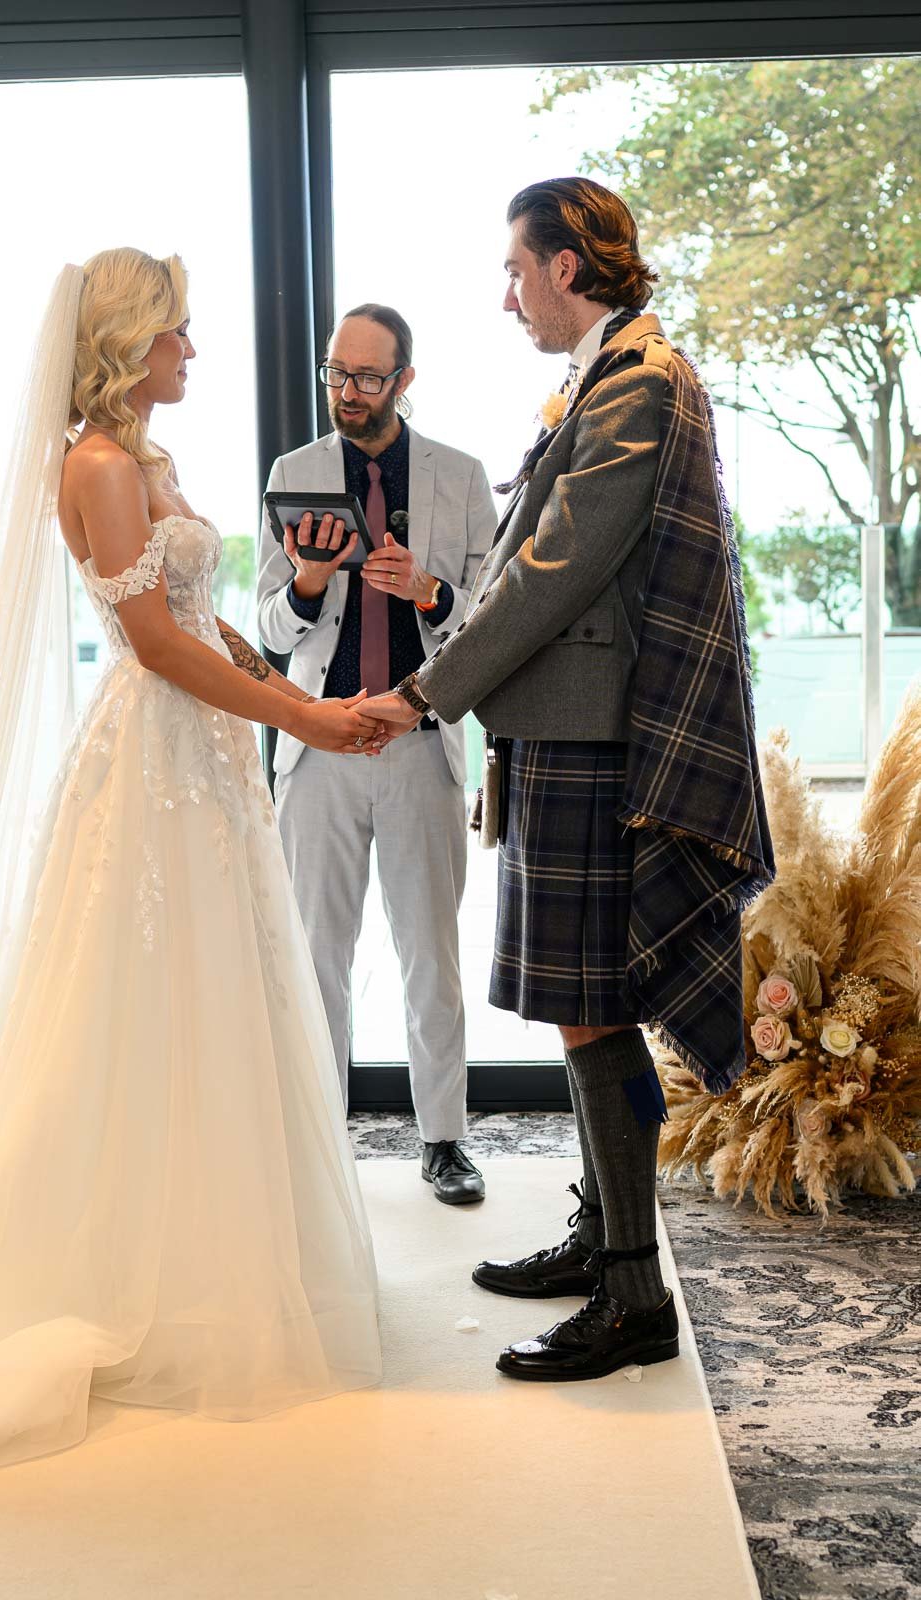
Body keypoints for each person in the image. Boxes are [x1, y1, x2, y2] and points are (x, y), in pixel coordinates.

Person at [0, 249, 384, 1492]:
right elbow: (148, 643)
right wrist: (295, 723)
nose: (194, 352)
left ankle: (219, 1261)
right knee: (136, 1002)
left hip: (202, 758)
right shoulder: (95, 466)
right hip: (148, 767)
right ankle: (114, 1273)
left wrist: (290, 681)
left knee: (222, 996)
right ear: (131, 340)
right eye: (181, 334)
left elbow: (199, 617)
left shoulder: (147, 461)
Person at [365, 179, 774, 1379]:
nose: (505, 296)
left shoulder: (640, 379)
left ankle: (633, 1295)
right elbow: (527, 566)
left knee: (592, 1002)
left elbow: (550, 571)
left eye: (513, 270)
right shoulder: (608, 373)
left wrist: (425, 691)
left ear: (567, 262)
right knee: (575, 1000)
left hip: (595, 737)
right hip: (564, 728)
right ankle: (605, 1236)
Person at [256, 305, 497, 1204]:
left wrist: (430, 593)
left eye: (365, 379)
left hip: (420, 741)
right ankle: (322, 1142)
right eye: (335, 374)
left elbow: (494, 622)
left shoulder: (462, 478)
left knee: (429, 953)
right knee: (317, 951)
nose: (346, 395)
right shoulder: (294, 474)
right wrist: (311, 582)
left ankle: (444, 1140)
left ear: (403, 381)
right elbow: (269, 627)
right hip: (318, 746)